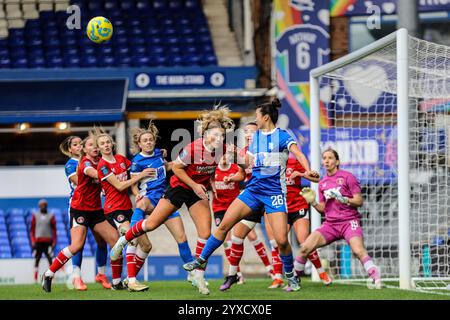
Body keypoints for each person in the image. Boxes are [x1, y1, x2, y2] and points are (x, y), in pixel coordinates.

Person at [182, 98, 319, 292]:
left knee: (281, 241)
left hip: (274, 194)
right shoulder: (255, 140)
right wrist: (236, 155)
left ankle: (291, 276)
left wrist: (308, 170)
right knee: (224, 226)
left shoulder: (283, 136)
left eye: (256, 115)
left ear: (265, 117)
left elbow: (298, 154)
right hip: (253, 191)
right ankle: (200, 261)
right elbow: (248, 164)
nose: (255, 118)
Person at [109, 105, 234, 295]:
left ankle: (197, 274)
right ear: (206, 134)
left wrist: (214, 182)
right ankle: (123, 241)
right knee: (150, 225)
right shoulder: (193, 147)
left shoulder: (222, 149)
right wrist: (194, 185)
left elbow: (209, 168)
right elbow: (176, 168)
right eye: (216, 135)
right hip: (179, 188)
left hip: (196, 190)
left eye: (222, 136)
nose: (220, 139)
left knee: (204, 233)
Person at [41, 135, 152, 293]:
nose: (94, 147)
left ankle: (116, 281)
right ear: (85, 150)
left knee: (115, 241)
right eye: (91, 145)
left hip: (96, 210)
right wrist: (112, 174)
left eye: (96, 145)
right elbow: (97, 174)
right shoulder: (86, 163)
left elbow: (124, 166)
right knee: (77, 245)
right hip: (79, 208)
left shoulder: (101, 160)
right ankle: (49, 273)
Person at [298, 149, 382, 289]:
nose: (326, 160)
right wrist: (312, 202)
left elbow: (359, 201)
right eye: (324, 158)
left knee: (358, 251)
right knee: (305, 248)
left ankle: (376, 278)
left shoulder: (348, 177)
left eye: (330, 158)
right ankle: (294, 280)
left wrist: (344, 199)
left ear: (337, 161)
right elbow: (323, 209)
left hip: (349, 222)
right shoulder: (323, 183)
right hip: (330, 224)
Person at [128, 122, 195, 285]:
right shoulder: (137, 161)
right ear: (139, 144)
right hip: (149, 199)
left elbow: (167, 166)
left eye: (151, 140)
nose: (148, 142)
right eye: (145, 140)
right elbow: (133, 184)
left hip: (165, 201)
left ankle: (193, 275)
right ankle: (128, 234)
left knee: (182, 237)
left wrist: (183, 161)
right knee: (141, 205)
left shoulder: (159, 153)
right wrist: (137, 195)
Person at [94, 127, 156, 292]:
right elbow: (121, 185)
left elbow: (136, 167)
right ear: (99, 148)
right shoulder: (102, 165)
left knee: (147, 245)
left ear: (112, 144)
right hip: (114, 209)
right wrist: (141, 175)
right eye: (102, 144)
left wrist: (156, 153)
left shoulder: (122, 159)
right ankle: (132, 281)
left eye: (108, 142)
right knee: (131, 238)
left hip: (128, 208)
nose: (106, 145)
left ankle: (122, 280)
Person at [59, 136, 111, 291]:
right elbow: (81, 181)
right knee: (78, 245)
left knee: (102, 242)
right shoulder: (71, 164)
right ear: (70, 149)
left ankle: (101, 274)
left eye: (80, 143)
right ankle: (76, 277)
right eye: (75, 145)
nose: (79, 146)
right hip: (78, 207)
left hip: (94, 207)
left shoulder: (93, 161)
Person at [284, 156, 332, 285]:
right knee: (280, 242)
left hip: (297, 206)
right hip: (281, 209)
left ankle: (321, 272)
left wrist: (300, 174)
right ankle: (283, 276)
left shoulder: (294, 162)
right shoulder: (270, 166)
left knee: (305, 242)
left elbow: (316, 179)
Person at [30, 199, 56, 283]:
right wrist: (33, 240)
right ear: (39, 206)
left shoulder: (51, 215)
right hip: (38, 241)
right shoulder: (35, 215)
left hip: (48, 241)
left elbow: (54, 230)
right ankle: (35, 279)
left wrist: (54, 241)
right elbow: (32, 229)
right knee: (37, 259)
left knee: (50, 260)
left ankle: (52, 278)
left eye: (45, 205)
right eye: (42, 205)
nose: (43, 206)